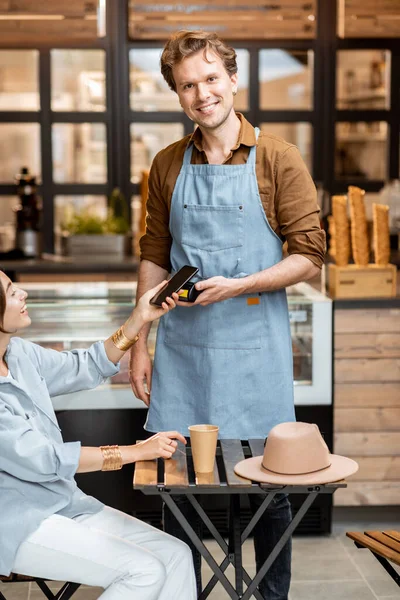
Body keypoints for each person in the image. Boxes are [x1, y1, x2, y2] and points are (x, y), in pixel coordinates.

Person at [129, 30, 326, 600]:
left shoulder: (279, 158)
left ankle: (271, 597)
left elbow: (309, 257)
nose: (202, 93)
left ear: (233, 80)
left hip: (256, 350)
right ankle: (184, 593)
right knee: (180, 487)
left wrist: (241, 284)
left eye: (211, 79)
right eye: (188, 85)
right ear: (178, 94)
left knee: (272, 488)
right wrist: (141, 343)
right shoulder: (167, 165)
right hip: (185, 354)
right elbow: (153, 254)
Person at [0, 270, 197, 600]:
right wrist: (136, 452)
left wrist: (139, 318)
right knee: (144, 570)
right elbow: (47, 460)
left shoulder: (19, 354)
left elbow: (85, 366)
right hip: (17, 523)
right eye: (9, 292)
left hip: (64, 503)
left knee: (177, 555)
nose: (22, 294)